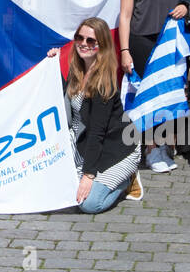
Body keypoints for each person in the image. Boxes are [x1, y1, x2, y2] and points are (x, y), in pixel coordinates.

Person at [50, 18, 141, 213]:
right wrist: (52, 67)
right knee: (58, 189)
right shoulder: (77, 69)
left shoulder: (104, 83)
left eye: (91, 41)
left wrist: (88, 176)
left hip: (117, 149)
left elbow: (97, 133)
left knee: (88, 204)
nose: (84, 44)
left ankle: (126, 181)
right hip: (84, 143)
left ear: (102, 45)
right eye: (79, 38)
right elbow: (65, 106)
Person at [117, 0, 187, 174]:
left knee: (167, 94)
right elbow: (124, 16)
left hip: (169, 43)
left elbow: (186, 0)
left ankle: (161, 145)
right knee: (147, 96)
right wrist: (124, 50)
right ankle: (150, 148)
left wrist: (185, 8)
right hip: (142, 40)